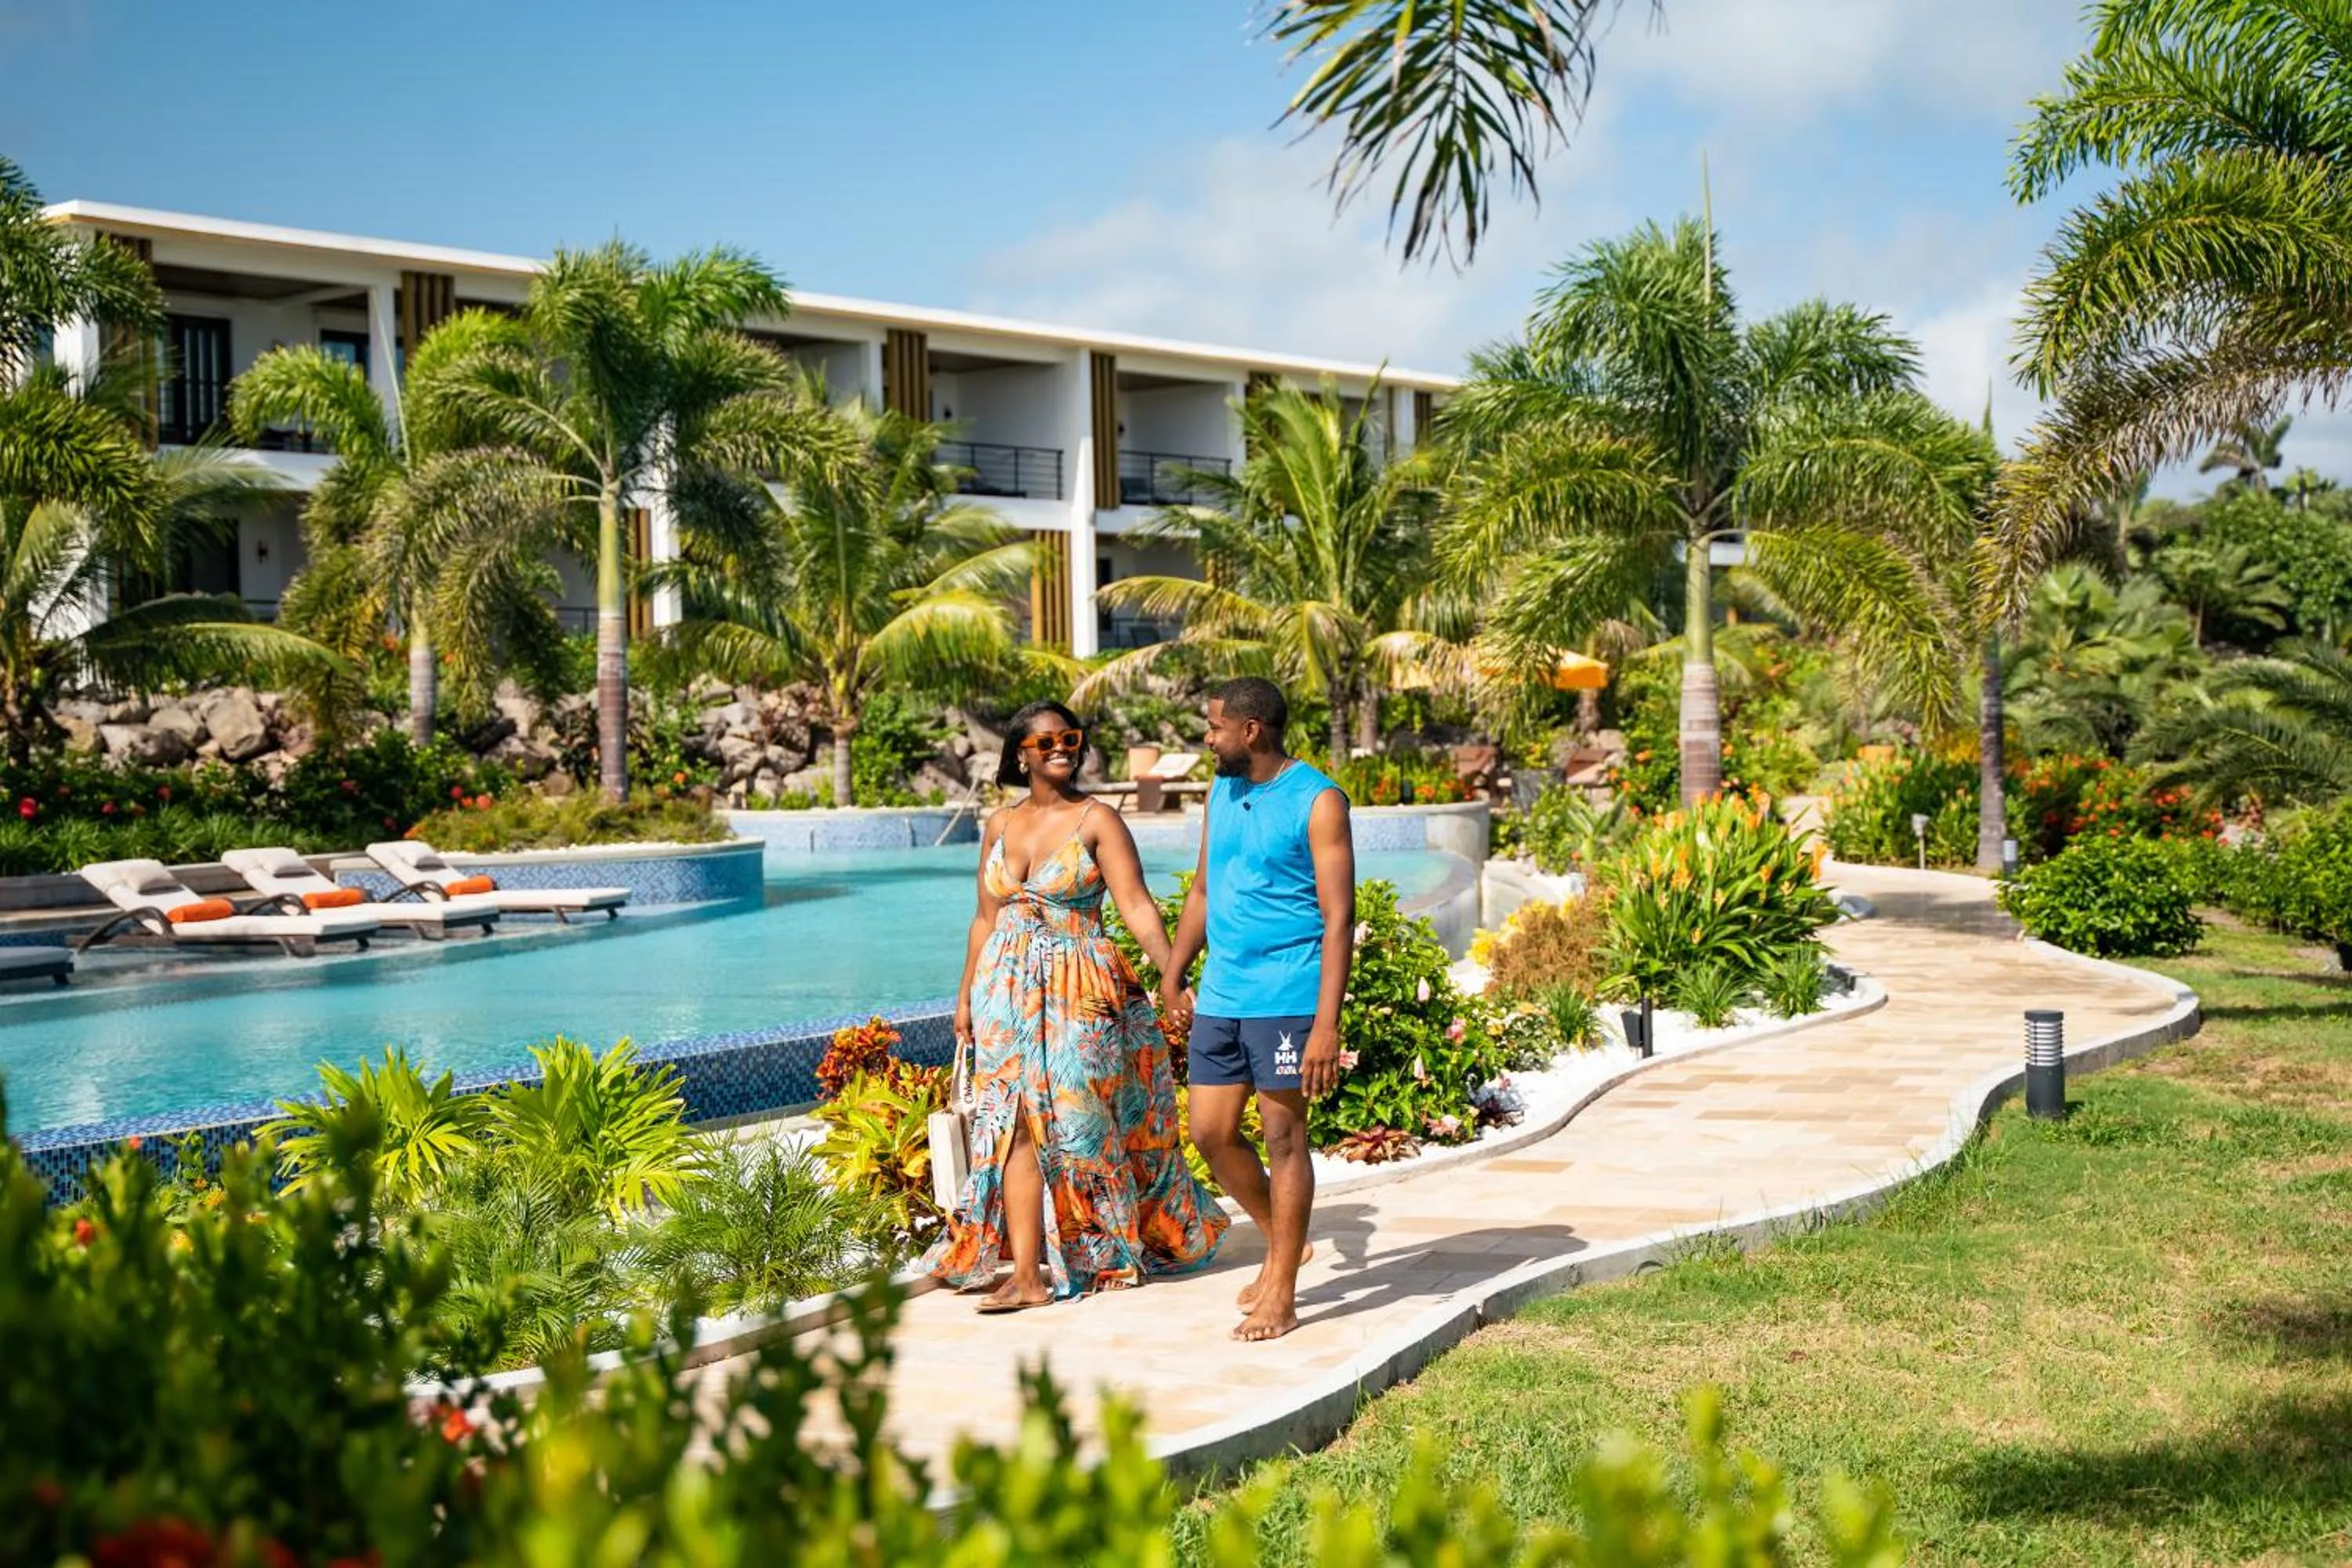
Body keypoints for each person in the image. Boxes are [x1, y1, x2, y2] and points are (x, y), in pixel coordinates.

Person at [927, 700, 1227, 1312]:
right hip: (1003, 990)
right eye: (1046, 742)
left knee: (1079, 1121)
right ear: (1020, 754)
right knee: (1010, 1127)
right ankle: (1030, 1277)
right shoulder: (998, 824)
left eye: (1070, 738)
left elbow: (1137, 906)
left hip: (1079, 986)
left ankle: (1101, 1249)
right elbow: (984, 919)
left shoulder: (1098, 819)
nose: (1061, 748)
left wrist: (1173, 976)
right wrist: (963, 999)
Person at [1163, 677, 1354, 1342]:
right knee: (1211, 1133)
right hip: (1223, 993)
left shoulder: (1319, 800)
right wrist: (1174, 969)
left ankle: (1283, 1292)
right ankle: (1283, 1242)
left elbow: (1338, 919)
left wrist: (1325, 1025)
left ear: (1251, 731)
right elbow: (1203, 890)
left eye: (1214, 728)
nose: (1207, 739)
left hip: (1288, 994)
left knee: (1283, 1138)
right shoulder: (1223, 791)